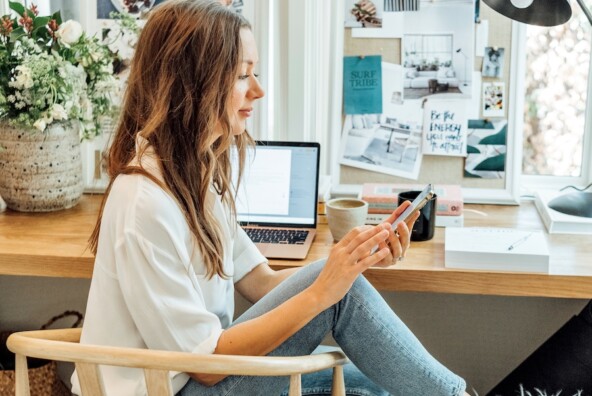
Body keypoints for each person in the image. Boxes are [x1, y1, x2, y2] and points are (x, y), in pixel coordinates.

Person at [72, 1, 469, 395]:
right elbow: (206, 363)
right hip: (172, 388)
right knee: (340, 303)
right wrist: (323, 291)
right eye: (243, 75)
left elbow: (261, 281)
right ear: (194, 83)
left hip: (193, 376)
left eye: (255, 73)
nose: (258, 90)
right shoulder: (145, 203)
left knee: (370, 387)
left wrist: (354, 260)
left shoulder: (194, 176)